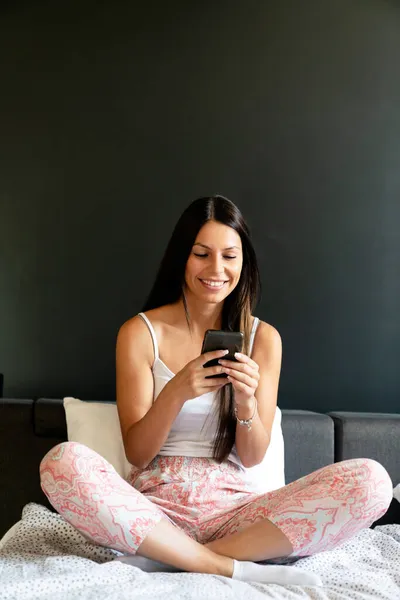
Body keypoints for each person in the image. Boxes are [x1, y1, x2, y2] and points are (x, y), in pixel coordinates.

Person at [40, 195, 392, 585]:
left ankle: (174, 560)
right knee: (60, 462)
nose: (216, 269)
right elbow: (138, 453)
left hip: (240, 518)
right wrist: (176, 391)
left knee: (372, 481)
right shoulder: (140, 333)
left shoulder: (264, 339)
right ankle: (222, 566)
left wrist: (244, 401)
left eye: (229, 256)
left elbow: (253, 455)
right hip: (155, 514)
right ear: (182, 257)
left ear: (244, 263)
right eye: (201, 254)